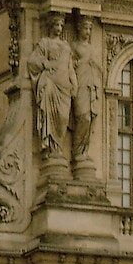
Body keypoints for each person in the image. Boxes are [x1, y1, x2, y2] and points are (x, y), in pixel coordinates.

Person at [27, 13, 77, 159]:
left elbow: (70, 68)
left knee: (63, 117)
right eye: (57, 25)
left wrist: (75, 84)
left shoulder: (66, 46)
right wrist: (45, 63)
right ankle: (52, 148)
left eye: (61, 25)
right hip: (50, 83)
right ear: (51, 26)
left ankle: (58, 146)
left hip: (64, 87)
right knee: (51, 115)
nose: (59, 28)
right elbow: (32, 61)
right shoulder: (44, 43)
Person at [71, 16, 102, 163]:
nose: (88, 31)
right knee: (82, 116)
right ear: (79, 28)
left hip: (91, 86)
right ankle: (76, 150)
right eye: (85, 28)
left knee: (90, 118)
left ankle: (83, 150)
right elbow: (69, 66)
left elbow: (99, 68)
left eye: (90, 28)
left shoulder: (92, 48)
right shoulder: (74, 46)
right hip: (80, 85)